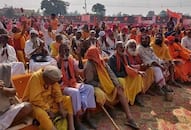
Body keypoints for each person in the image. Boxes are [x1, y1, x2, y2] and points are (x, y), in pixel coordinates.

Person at [84, 46, 139, 129]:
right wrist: (101, 85)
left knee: (119, 89)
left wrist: (116, 83)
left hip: (106, 82)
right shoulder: (89, 65)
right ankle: (110, 107)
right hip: (96, 85)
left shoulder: (101, 61)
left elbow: (110, 73)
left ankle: (129, 117)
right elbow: (89, 81)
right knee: (100, 95)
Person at [22, 65, 75, 130]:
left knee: (67, 99)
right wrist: (48, 110)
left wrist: (61, 108)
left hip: (48, 101)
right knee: (42, 114)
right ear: (46, 78)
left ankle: (71, 127)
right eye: (53, 82)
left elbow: (57, 93)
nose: (54, 83)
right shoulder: (36, 77)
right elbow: (35, 99)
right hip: (34, 105)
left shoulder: (52, 79)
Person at [57, 43, 96, 130]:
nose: (66, 53)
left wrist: (79, 55)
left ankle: (87, 116)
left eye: (67, 50)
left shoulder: (71, 59)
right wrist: (60, 62)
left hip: (73, 84)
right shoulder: (55, 61)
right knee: (75, 93)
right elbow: (58, 79)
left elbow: (80, 68)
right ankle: (77, 121)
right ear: (59, 52)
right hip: (62, 87)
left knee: (90, 88)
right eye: (64, 51)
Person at [108, 41, 145, 106]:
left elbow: (129, 67)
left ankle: (135, 97)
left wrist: (138, 72)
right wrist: (127, 72)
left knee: (138, 77)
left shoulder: (125, 56)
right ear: (116, 48)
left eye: (124, 47)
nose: (122, 49)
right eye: (120, 47)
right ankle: (125, 101)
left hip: (125, 74)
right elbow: (114, 73)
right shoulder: (112, 59)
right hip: (117, 77)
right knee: (122, 81)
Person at [0, 64, 32, 130]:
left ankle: (4, 125)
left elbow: (13, 92)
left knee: (27, 106)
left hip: (5, 110)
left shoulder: (4, 69)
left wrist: (3, 89)